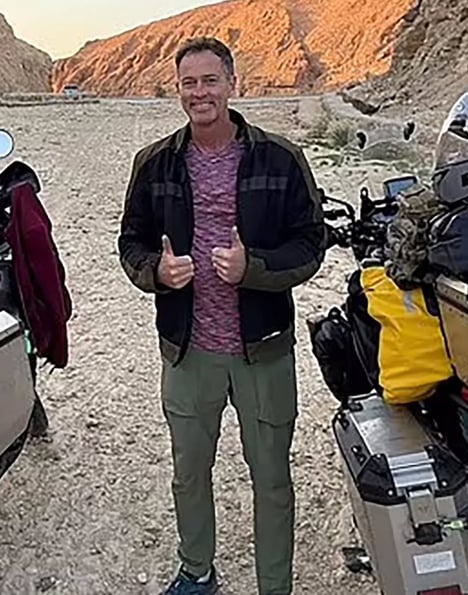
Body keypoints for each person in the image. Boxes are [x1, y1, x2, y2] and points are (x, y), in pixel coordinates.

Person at [117, 37, 326, 595]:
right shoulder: (155, 163)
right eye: (190, 82)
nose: (200, 93)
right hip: (189, 352)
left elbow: (311, 244)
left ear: (233, 84)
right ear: (178, 89)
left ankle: (274, 586)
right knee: (189, 475)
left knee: (273, 482)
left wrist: (252, 267)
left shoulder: (279, 158)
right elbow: (131, 241)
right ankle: (196, 572)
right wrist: (157, 274)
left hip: (263, 349)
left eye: (210, 80)